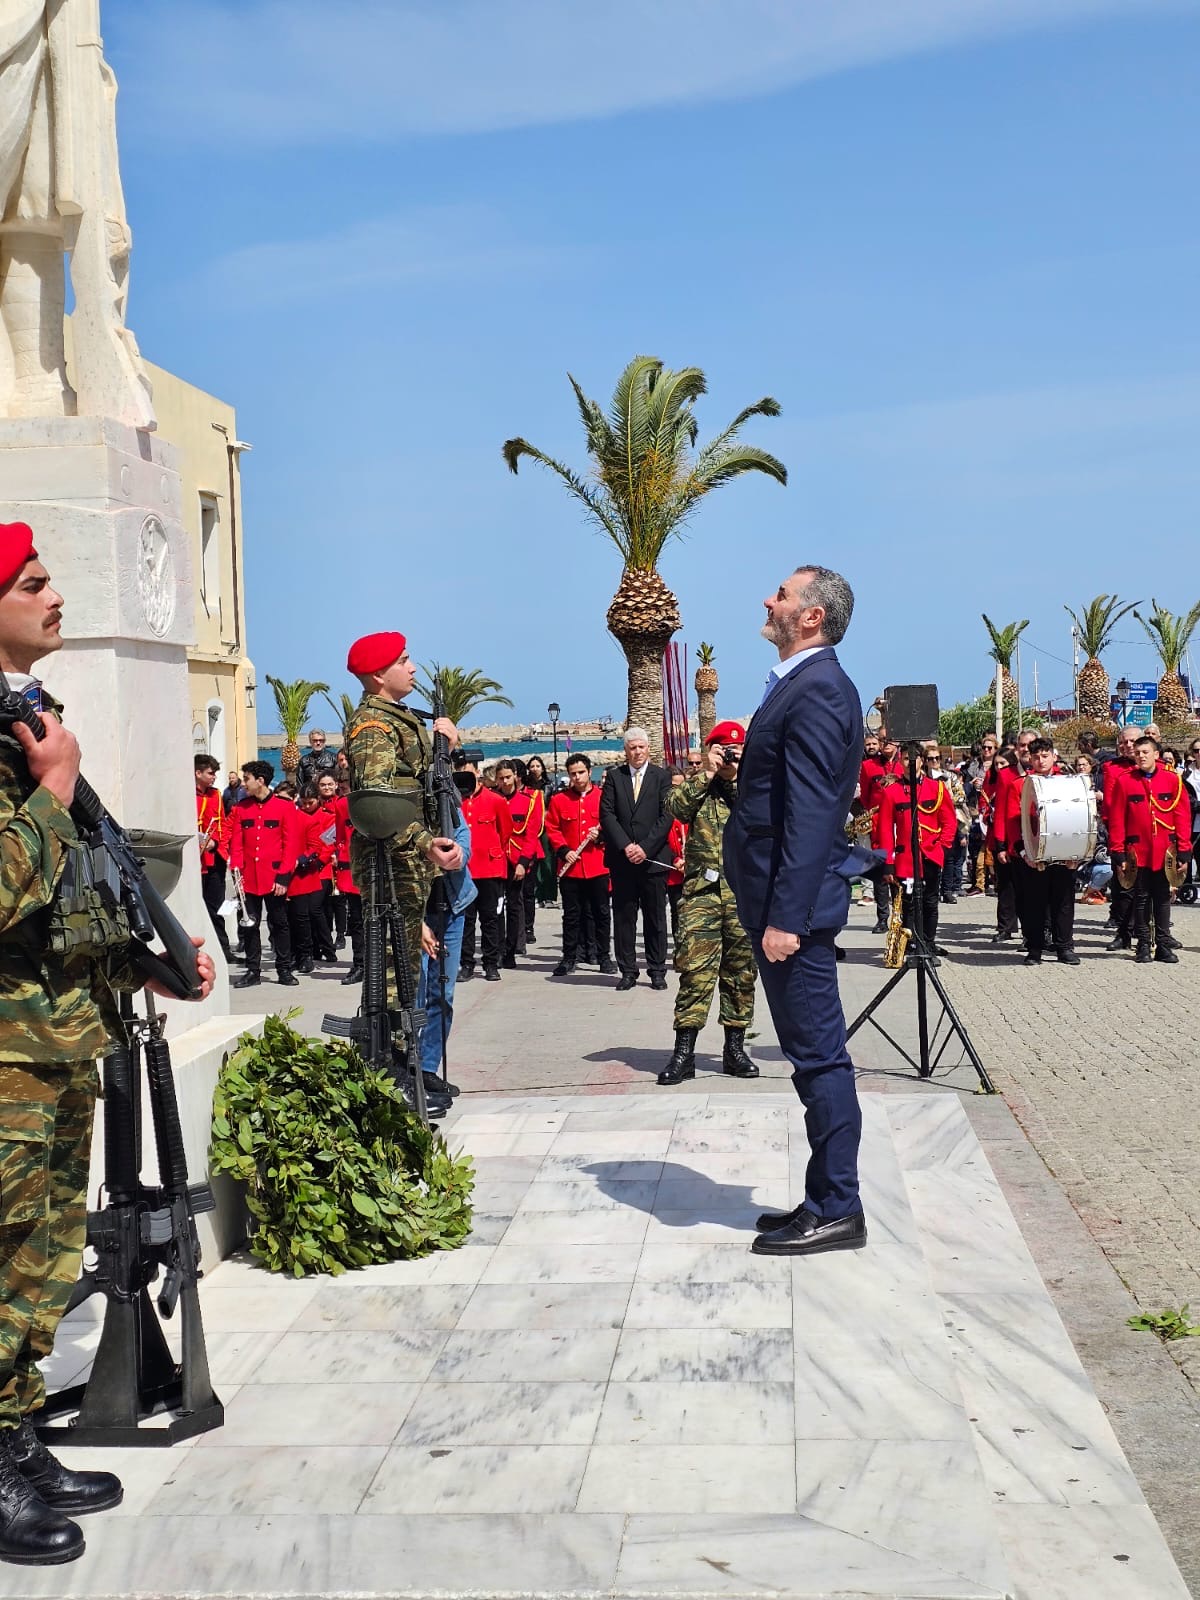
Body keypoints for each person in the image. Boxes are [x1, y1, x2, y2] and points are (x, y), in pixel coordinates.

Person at [0, 522, 215, 1565]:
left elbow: (63, 895)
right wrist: (49, 792)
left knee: (37, 1263)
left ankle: (10, 1435)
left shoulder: (30, 719)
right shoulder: (32, 749)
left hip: (55, 1036)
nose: (54, 593)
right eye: (32, 582)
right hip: (4, 1054)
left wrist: (142, 959)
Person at [725, 565, 866, 1258]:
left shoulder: (817, 691)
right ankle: (824, 1197)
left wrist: (786, 917)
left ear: (810, 616)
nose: (768, 600)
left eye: (780, 594)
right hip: (778, 903)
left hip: (794, 915)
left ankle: (838, 1207)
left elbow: (811, 817)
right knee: (813, 1060)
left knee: (820, 1062)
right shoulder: (803, 684)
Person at [344, 632, 461, 1114]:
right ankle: (388, 1069)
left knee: (407, 965)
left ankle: (407, 1065)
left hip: (408, 862)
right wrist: (423, 843)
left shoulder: (400, 720)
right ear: (378, 675)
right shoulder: (373, 726)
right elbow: (376, 804)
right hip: (391, 863)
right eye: (403, 660)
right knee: (391, 969)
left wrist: (444, 748)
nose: (412, 668)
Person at [657, 721, 758, 1085]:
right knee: (695, 973)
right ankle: (684, 1054)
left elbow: (763, 815)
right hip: (701, 895)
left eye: (737, 751)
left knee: (741, 974)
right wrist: (708, 773)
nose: (731, 756)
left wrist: (737, 775)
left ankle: (735, 1049)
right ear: (711, 752)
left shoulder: (754, 786)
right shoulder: (697, 787)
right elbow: (676, 809)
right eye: (724, 750)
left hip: (743, 895)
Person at [599, 727, 673, 990]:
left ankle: (657, 970)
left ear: (648, 748)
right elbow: (606, 815)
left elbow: (667, 816)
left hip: (652, 860)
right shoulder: (614, 778)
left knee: (655, 918)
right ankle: (628, 971)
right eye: (633, 748)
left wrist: (645, 848)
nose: (637, 752)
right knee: (624, 918)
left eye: (641, 747)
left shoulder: (662, 777)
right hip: (623, 861)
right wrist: (626, 847)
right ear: (626, 750)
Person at [1107, 735, 1192, 963]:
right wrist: (1118, 851)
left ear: (1156, 754)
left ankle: (1163, 944)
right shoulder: (1125, 781)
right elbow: (1116, 819)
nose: (1141, 756)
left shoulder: (1172, 779)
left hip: (1165, 850)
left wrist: (1184, 849)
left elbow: (1182, 815)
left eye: (1146, 752)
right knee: (1141, 897)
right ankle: (1143, 944)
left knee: (1163, 898)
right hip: (1138, 850)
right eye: (1138, 753)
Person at [1005, 738, 1080, 965]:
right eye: (1036, 756)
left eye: (1045, 756)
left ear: (1053, 757)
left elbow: (1077, 816)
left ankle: (1064, 947)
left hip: (1063, 853)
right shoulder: (1019, 785)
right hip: (1033, 854)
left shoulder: (1067, 782)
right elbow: (1012, 822)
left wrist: (1075, 853)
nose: (1040, 760)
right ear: (1030, 759)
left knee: (1064, 903)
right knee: (1033, 904)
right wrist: (1022, 852)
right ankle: (1034, 949)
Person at [877, 746, 957, 961]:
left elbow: (949, 821)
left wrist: (942, 846)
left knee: (930, 903)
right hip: (905, 859)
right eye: (905, 759)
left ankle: (928, 944)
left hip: (930, 855)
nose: (910, 763)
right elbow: (884, 830)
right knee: (909, 903)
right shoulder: (891, 792)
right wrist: (887, 863)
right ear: (899, 762)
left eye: (914, 758)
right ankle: (912, 944)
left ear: (922, 761)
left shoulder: (937, 789)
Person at [418, 805, 474, 1102]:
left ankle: (427, 1068)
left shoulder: (441, 791)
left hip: (451, 903)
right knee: (415, 995)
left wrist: (461, 853)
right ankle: (407, 1070)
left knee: (442, 994)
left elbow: (462, 831)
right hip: (411, 907)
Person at [229, 761, 301, 988]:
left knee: (279, 924)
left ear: (260, 780)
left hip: (274, 878)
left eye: (247, 778)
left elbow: (291, 846)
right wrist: (236, 875)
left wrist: (283, 877)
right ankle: (253, 971)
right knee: (249, 925)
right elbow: (236, 845)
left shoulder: (285, 807)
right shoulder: (241, 808)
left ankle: (284, 969)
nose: (244, 783)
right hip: (249, 878)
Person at [545, 753, 614, 976]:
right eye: (573, 773)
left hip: (598, 866)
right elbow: (552, 828)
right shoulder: (559, 800)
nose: (577, 777)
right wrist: (564, 851)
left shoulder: (604, 797)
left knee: (601, 913)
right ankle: (569, 957)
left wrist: (601, 835)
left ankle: (604, 956)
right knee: (571, 915)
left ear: (589, 772)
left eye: (581, 772)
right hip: (571, 868)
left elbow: (614, 825)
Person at [455, 755, 511, 982]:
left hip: (489, 868)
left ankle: (490, 962)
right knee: (466, 920)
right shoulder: (456, 801)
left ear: (477, 772)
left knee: (490, 918)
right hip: (465, 869)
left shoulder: (495, 800)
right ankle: (467, 963)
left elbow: (505, 833)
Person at [990, 730, 1036, 943]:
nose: (1026, 749)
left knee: (1035, 892)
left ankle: (1038, 933)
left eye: (1030, 745)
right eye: (1022, 745)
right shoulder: (1006, 774)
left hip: (1039, 840)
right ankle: (1006, 927)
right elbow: (1000, 811)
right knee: (1008, 887)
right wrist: (1000, 844)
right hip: (1013, 841)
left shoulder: (1050, 771)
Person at [287, 785, 337, 973]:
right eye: (304, 803)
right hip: (303, 868)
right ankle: (312, 949)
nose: (307, 806)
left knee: (314, 910)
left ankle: (327, 947)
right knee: (304, 913)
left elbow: (328, 843)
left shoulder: (327, 817)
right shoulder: (297, 816)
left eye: (311, 802)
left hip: (319, 868)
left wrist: (319, 861)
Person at [1102, 727, 1141, 951]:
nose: (1127, 745)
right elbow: (1109, 804)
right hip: (1122, 834)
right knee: (1123, 887)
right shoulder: (1112, 767)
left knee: (1149, 888)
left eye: (1132, 741)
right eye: (1124, 742)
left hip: (1146, 834)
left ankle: (1151, 932)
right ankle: (1123, 933)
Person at [195, 754, 233, 962]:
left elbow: (222, 824)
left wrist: (217, 843)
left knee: (217, 907)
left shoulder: (216, 794)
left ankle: (223, 949)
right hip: (196, 859)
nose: (214, 777)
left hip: (214, 856)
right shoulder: (188, 795)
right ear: (197, 773)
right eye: (210, 773)